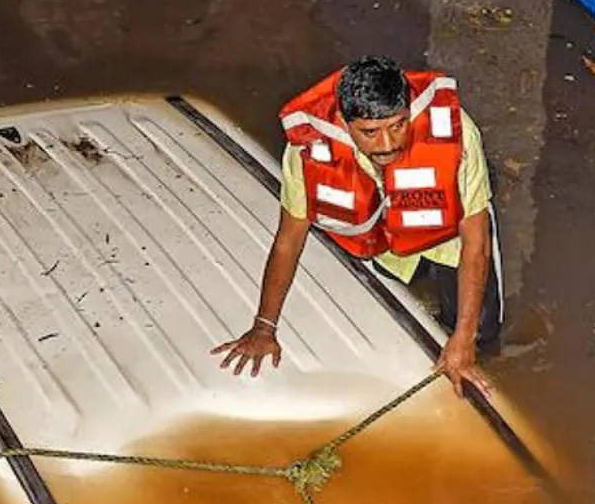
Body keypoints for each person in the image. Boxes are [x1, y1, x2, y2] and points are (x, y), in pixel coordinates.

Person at [210, 55, 505, 396]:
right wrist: (264, 327)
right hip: (384, 239)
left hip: (449, 236)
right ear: (344, 124)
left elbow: (476, 243)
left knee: (483, 332)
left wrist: (464, 337)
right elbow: (289, 240)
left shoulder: (457, 134)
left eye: (398, 125)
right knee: (399, 279)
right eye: (370, 132)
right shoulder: (308, 149)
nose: (388, 144)